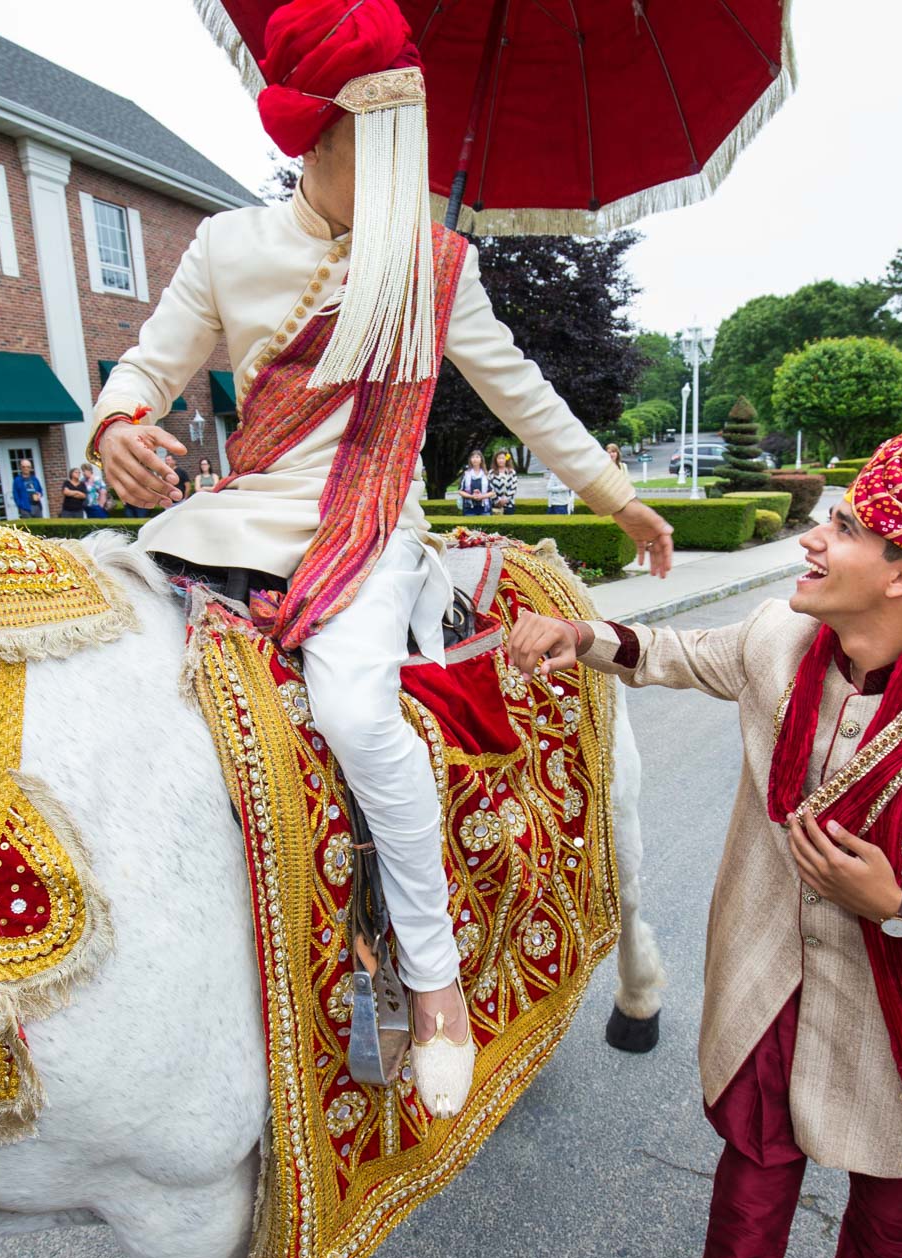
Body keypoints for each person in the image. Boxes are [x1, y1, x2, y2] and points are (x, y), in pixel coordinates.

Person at [87, 0, 672, 1120]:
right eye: (377, 151)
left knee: (358, 716)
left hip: (369, 527)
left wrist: (620, 495)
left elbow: (524, 395)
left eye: (412, 152)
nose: (403, 176)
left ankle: (437, 979)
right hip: (236, 517)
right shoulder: (226, 245)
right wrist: (118, 425)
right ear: (310, 141)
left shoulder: (436, 264)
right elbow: (149, 364)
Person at [509, 431, 902, 1258]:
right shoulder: (776, 641)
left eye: (846, 527)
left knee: (889, 1220)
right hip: (766, 979)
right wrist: (582, 632)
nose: (811, 539)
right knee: (750, 1191)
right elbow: (679, 653)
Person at [457, 449, 491, 515]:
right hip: (469, 507)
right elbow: (460, 491)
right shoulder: (466, 474)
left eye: (477, 457)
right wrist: (471, 496)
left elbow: (492, 491)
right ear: (470, 460)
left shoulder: (486, 474)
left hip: (485, 507)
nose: (475, 459)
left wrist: (482, 496)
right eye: (473, 457)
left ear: (481, 460)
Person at [490, 450, 518, 515]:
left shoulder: (511, 472)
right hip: (495, 505)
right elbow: (490, 488)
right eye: (499, 458)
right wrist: (497, 500)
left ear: (506, 459)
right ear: (496, 460)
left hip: (509, 504)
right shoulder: (491, 473)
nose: (501, 460)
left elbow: (514, 487)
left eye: (502, 458)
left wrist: (506, 499)